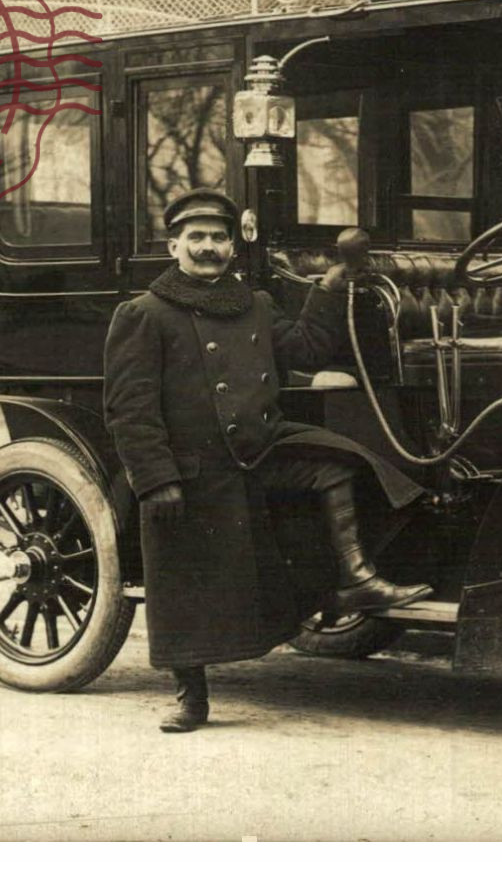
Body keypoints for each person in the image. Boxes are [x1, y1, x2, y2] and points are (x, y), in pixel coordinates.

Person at [102, 188, 431, 733]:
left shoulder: (253, 304)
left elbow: (303, 348)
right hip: (192, 465)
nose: (209, 248)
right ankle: (190, 696)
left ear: (232, 246)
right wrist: (156, 478)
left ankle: (355, 577)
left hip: (260, 448)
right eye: (197, 238)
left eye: (218, 238)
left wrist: (328, 288)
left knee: (338, 464)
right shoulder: (145, 314)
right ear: (173, 245)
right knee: (185, 582)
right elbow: (129, 408)